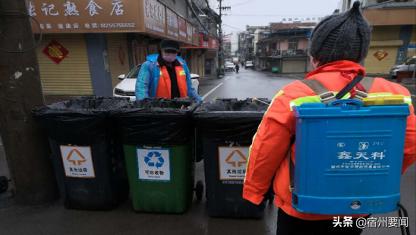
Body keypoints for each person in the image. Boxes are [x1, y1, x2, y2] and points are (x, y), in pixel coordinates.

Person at [242, 2, 416, 235]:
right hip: (357, 206)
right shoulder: (396, 94)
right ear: (361, 54)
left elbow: (265, 148)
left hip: (302, 205)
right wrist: (375, 178)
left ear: (315, 56)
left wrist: (255, 191)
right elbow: (409, 147)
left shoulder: (294, 94)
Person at [135, 39, 202, 102]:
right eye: (167, 51)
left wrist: (200, 101)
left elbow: (189, 88)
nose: (170, 54)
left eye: (173, 52)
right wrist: (144, 105)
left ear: (177, 53)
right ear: (161, 51)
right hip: (158, 109)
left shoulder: (182, 65)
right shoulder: (149, 65)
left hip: (181, 107)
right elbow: (141, 88)